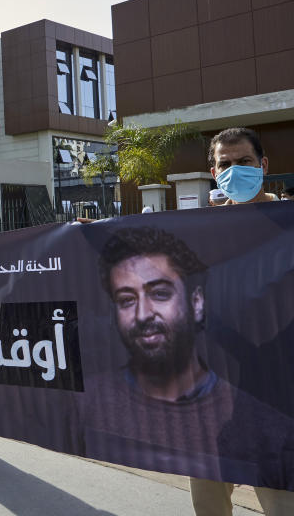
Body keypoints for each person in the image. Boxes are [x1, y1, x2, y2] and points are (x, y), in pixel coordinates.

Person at [80, 226, 294, 513]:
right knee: (208, 505)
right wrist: (97, 234)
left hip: (272, 426)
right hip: (211, 429)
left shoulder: (277, 226)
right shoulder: (203, 229)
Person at [192, 127, 294, 513]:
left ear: (263, 165)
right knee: (209, 503)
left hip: (278, 393)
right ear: (214, 172)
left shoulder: (289, 222)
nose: (235, 170)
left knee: (281, 504)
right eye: (226, 164)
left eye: (244, 162)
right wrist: (91, 238)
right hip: (215, 392)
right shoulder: (201, 231)